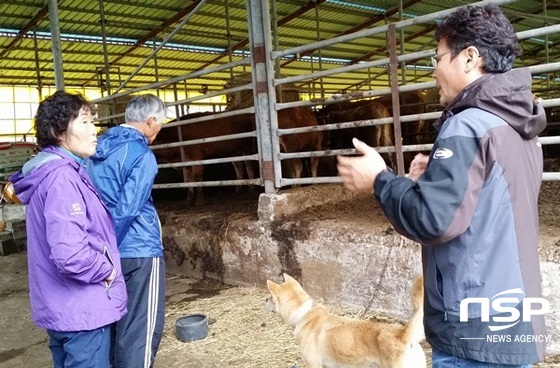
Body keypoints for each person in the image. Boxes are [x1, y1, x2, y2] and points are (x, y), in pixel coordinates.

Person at [337, 4, 547, 367]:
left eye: (437, 58)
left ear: (469, 58)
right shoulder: (519, 126)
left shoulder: (467, 125)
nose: (433, 71)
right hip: (514, 312)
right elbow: (484, 208)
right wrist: (427, 185)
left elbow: (434, 222)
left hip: (472, 326)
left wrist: (380, 179)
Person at [9, 90, 127, 368]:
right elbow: (70, 254)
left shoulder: (52, 172)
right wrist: (107, 269)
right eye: (84, 122)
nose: (94, 131)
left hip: (62, 307)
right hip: (82, 311)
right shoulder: (62, 177)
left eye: (93, 122)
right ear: (57, 131)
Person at [86, 94, 167, 368]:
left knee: (115, 320)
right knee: (141, 328)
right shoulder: (142, 155)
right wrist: (112, 240)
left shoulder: (95, 150)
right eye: (161, 123)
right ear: (151, 120)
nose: (160, 129)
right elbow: (129, 208)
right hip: (140, 249)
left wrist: (102, 247)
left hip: (103, 252)